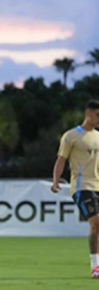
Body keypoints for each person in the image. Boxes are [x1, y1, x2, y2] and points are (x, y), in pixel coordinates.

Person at [52, 99, 99, 278]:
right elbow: (61, 160)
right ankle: (95, 266)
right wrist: (56, 181)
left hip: (98, 185)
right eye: (98, 115)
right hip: (82, 186)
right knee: (96, 223)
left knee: (98, 226)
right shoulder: (71, 136)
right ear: (88, 114)